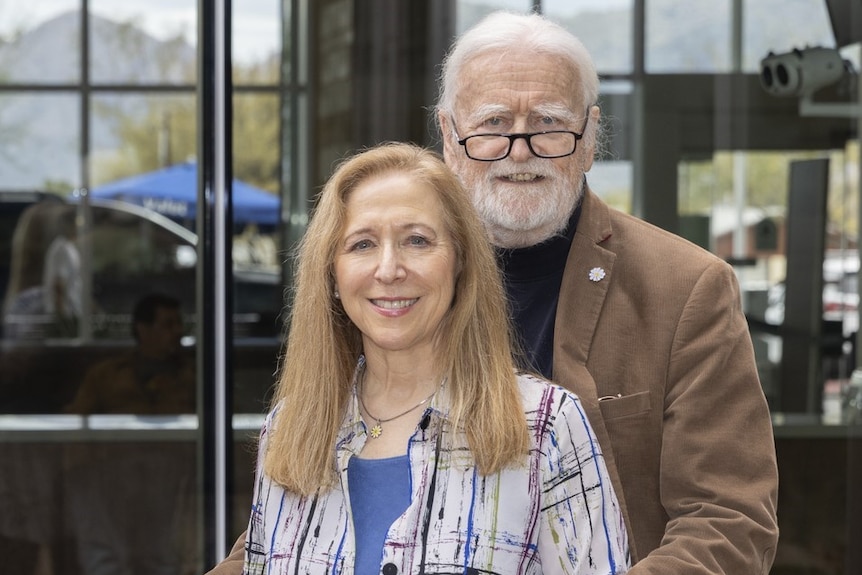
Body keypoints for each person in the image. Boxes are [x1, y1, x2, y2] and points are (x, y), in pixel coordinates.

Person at [209, 10, 778, 575]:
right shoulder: (398, 286)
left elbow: (729, 520)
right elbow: (298, 521)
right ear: (450, 136)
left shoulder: (684, 287)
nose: (520, 148)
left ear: (589, 137)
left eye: (550, 123)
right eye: (493, 124)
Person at [232, 142, 629, 574]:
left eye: (417, 240)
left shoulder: (545, 425)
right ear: (331, 272)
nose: (388, 269)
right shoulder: (289, 431)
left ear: (460, 262)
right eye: (362, 244)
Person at [64, 292, 196, 575]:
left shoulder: (194, 376)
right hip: (112, 475)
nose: (177, 332)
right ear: (143, 328)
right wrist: (80, 470)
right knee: (108, 557)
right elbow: (75, 422)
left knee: (161, 555)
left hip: (170, 476)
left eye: (178, 324)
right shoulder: (107, 374)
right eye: (168, 324)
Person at [42, 208, 83, 337]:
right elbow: (58, 285)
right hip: (64, 314)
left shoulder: (69, 247)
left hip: (70, 312)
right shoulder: (61, 249)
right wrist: (61, 318)